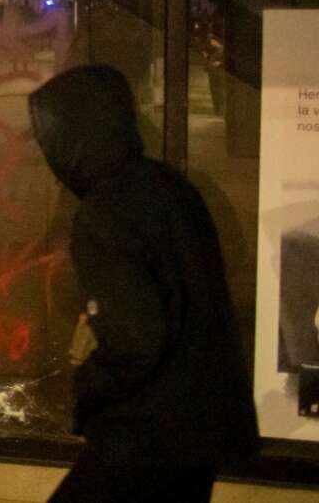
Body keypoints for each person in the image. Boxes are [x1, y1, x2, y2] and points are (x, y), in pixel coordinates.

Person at [27, 64, 259, 503]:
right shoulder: (170, 187)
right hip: (200, 427)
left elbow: (135, 340)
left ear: (79, 133)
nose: (47, 149)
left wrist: (89, 381)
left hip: (146, 433)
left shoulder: (105, 211)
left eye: (52, 134)